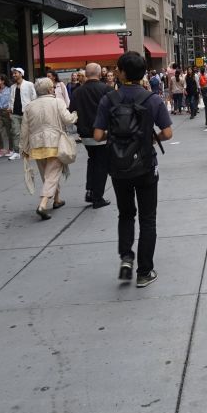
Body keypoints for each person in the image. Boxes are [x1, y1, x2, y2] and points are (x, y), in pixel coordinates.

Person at [94, 51, 173, 288]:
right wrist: (150, 139)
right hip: (146, 165)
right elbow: (168, 133)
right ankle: (144, 272)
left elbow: (97, 135)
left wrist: (116, 136)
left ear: (122, 72)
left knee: (126, 214)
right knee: (148, 219)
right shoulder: (152, 99)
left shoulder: (109, 99)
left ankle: (126, 258)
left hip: (118, 167)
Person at [20, 76, 75, 219]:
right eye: (53, 87)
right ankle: (43, 204)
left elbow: (24, 129)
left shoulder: (29, 106)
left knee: (48, 174)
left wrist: (24, 148)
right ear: (50, 89)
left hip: (36, 145)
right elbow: (68, 120)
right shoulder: (57, 102)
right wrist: (76, 114)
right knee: (52, 174)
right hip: (55, 143)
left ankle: (57, 199)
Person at [72, 62, 112, 209]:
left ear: (86, 74)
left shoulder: (77, 92)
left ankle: (90, 190)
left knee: (92, 160)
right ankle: (97, 197)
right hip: (102, 133)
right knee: (101, 164)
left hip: (85, 134)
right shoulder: (106, 89)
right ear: (99, 73)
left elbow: (72, 112)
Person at [5, 67, 35, 160]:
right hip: (15, 113)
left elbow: (34, 97)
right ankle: (16, 152)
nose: (14, 75)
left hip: (26, 112)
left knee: (28, 132)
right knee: (15, 132)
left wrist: (33, 109)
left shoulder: (29, 84)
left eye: (16, 73)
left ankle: (30, 150)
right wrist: (10, 108)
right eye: (13, 73)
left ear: (21, 74)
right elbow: (11, 99)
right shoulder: (12, 87)